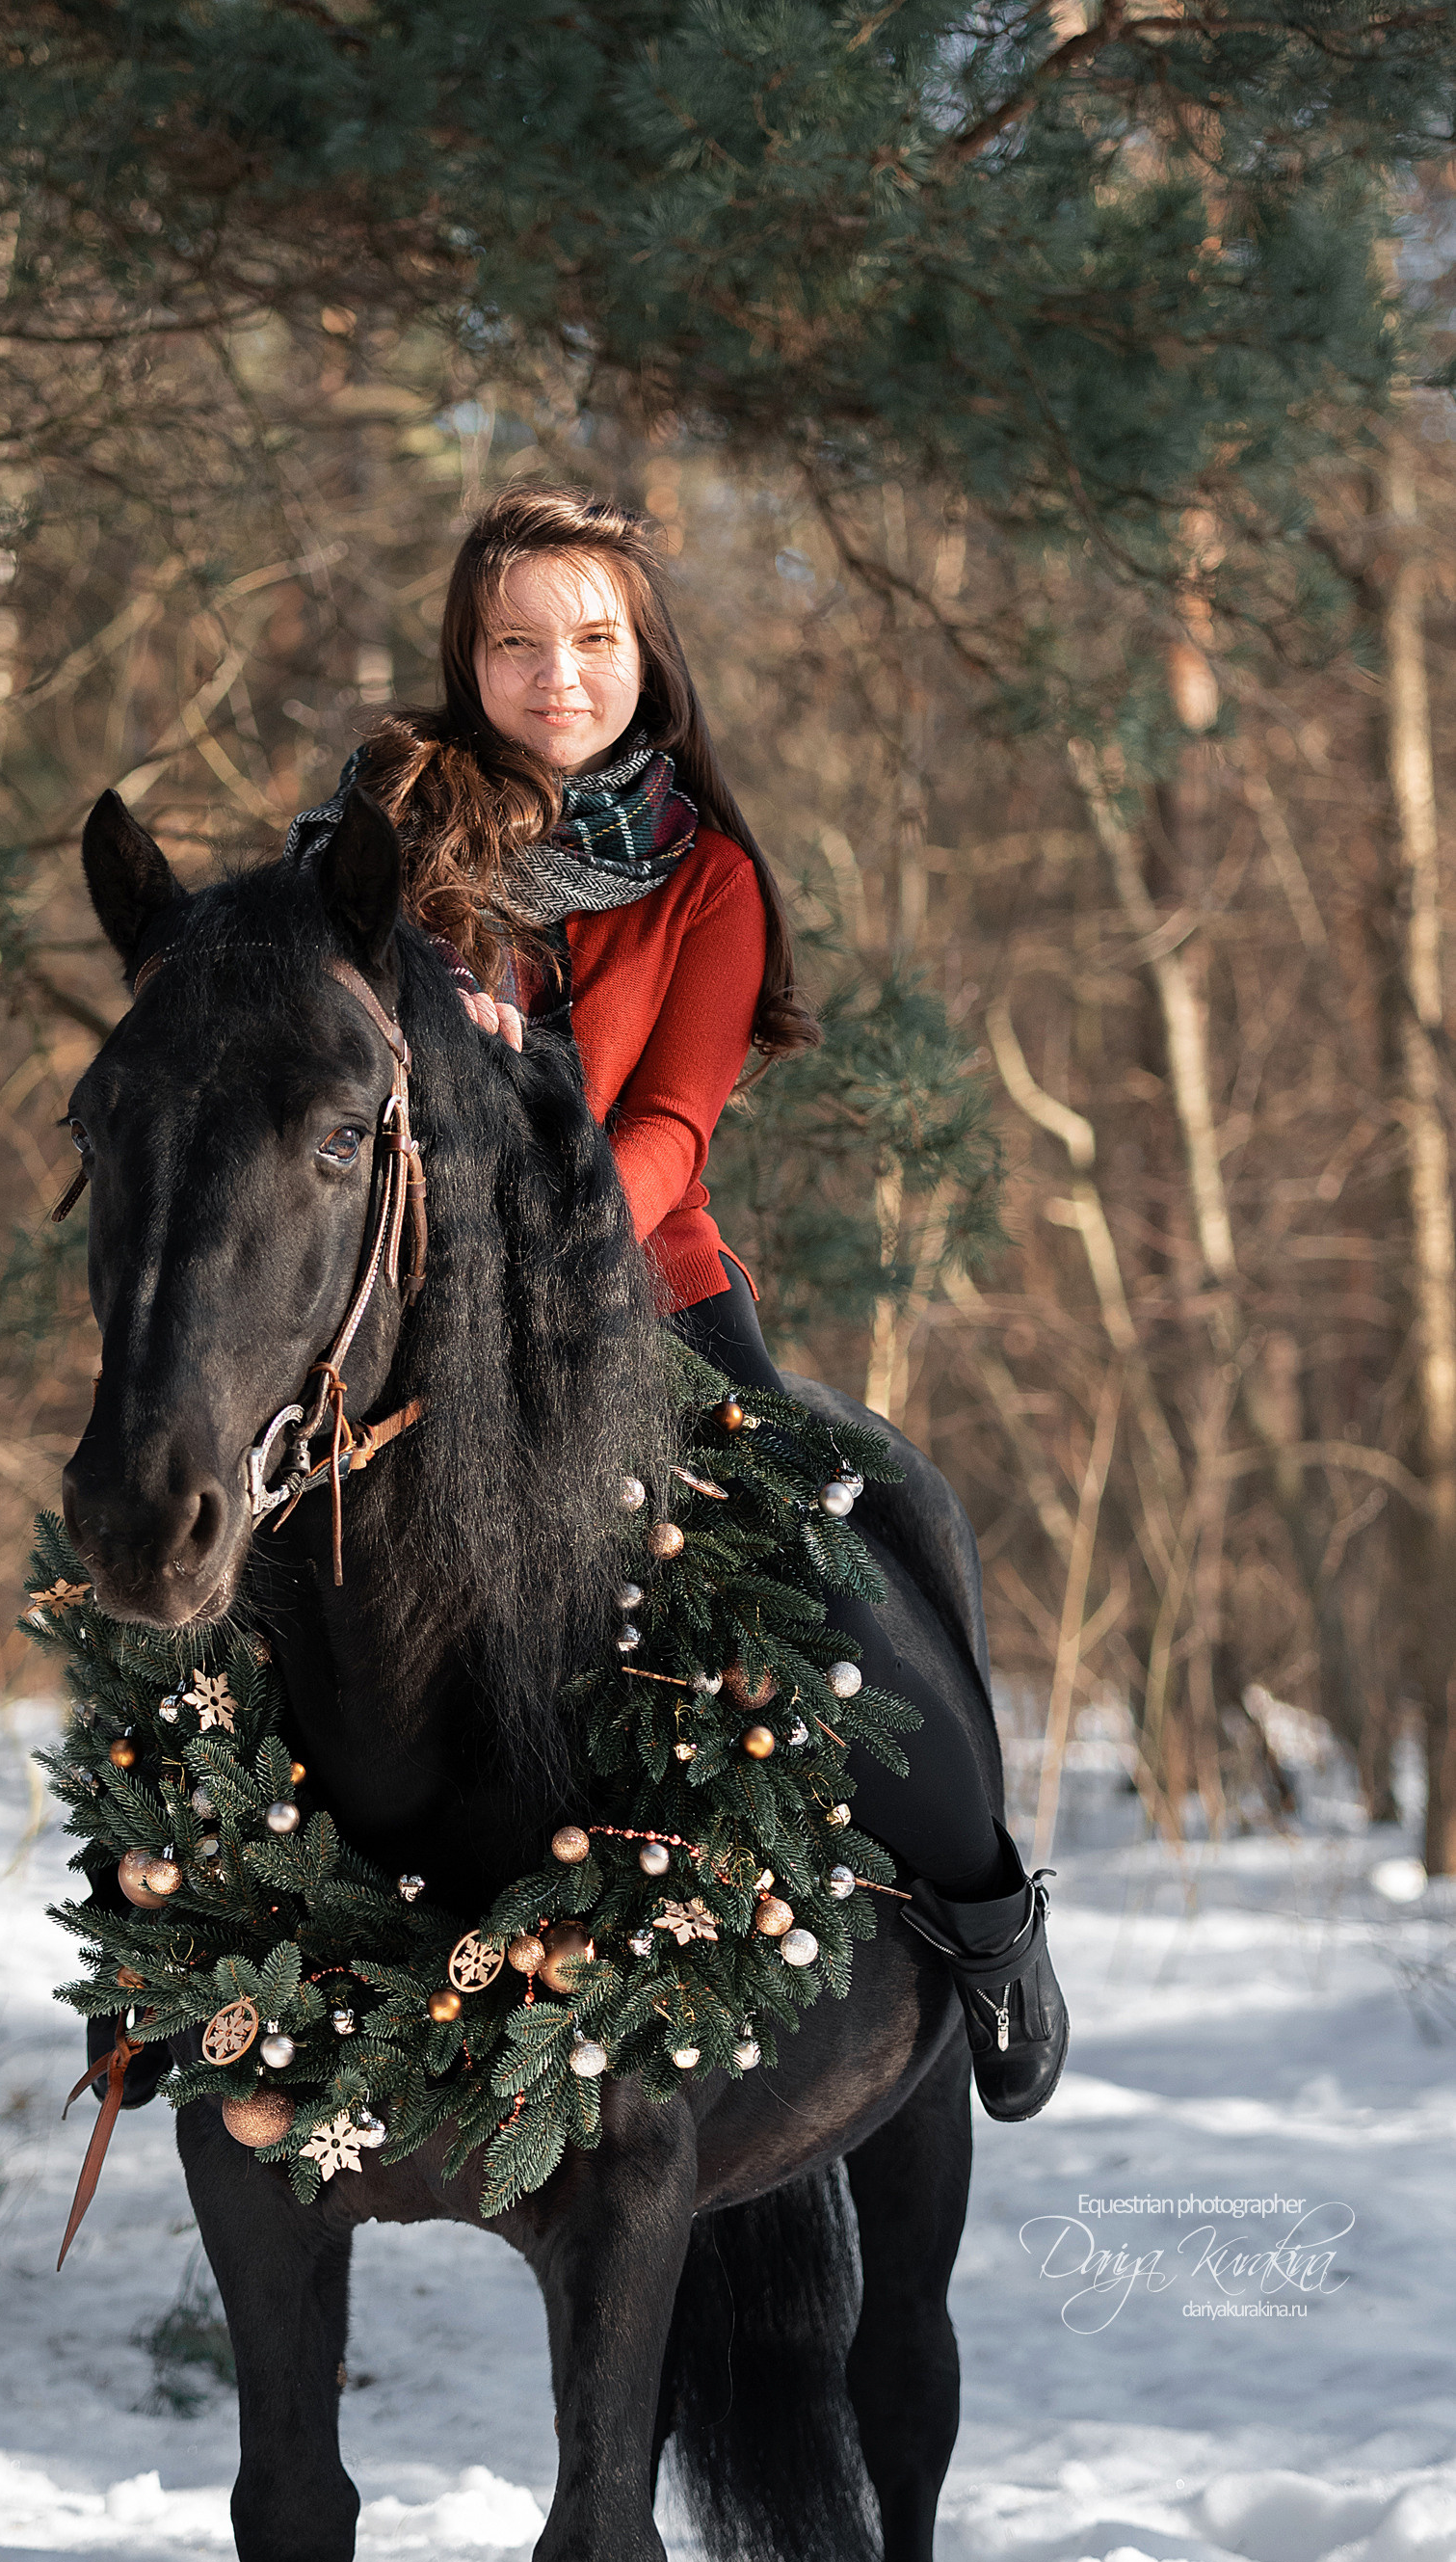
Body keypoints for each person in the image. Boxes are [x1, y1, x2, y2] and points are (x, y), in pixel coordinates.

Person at [286, 486, 1066, 2122]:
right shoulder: (387, 827)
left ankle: (991, 1923)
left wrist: (545, 1243)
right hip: (403, 1302)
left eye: (591, 639)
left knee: (826, 1583)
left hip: (642, 1293)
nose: (554, 674)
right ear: (466, 656)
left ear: (645, 654)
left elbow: (671, 1128)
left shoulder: (707, 878)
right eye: (514, 643)